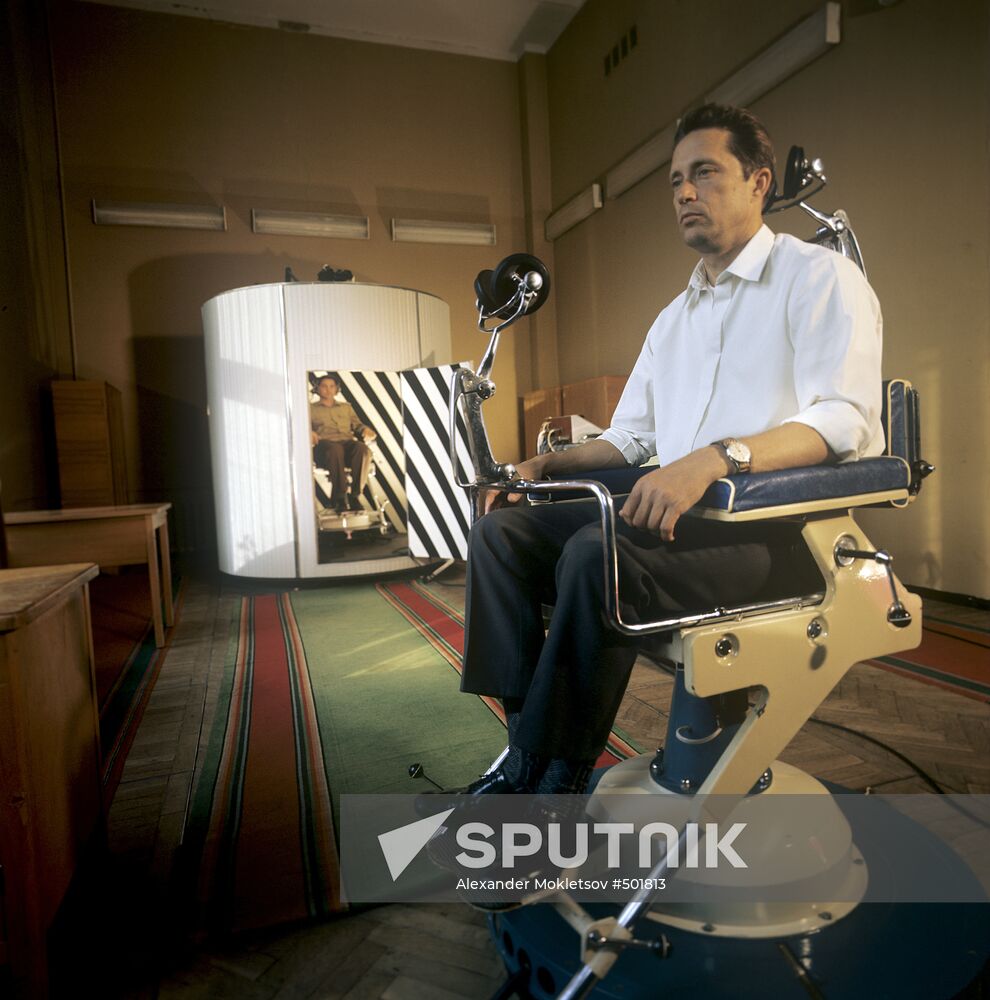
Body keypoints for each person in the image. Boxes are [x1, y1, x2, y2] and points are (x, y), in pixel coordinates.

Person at [455, 103, 883, 798]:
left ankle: (557, 774)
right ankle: (526, 749)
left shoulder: (820, 280)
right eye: (676, 180)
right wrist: (544, 466)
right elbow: (631, 439)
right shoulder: (673, 318)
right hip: (673, 522)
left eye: (705, 173)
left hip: (774, 535)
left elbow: (844, 421)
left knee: (594, 556)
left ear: (759, 183)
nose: (685, 192)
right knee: (503, 535)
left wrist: (718, 457)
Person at [310, 374, 377, 512]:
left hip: (346, 444)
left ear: (337, 389)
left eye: (331, 386)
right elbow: (302, 426)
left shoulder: (346, 407)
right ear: (317, 389)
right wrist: (308, 431)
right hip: (324, 447)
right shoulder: (310, 409)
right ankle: (340, 496)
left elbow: (357, 425)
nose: (328, 390)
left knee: (362, 449)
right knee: (335, 449)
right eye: (324, 386)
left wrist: (365, 429)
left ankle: (355, 495)